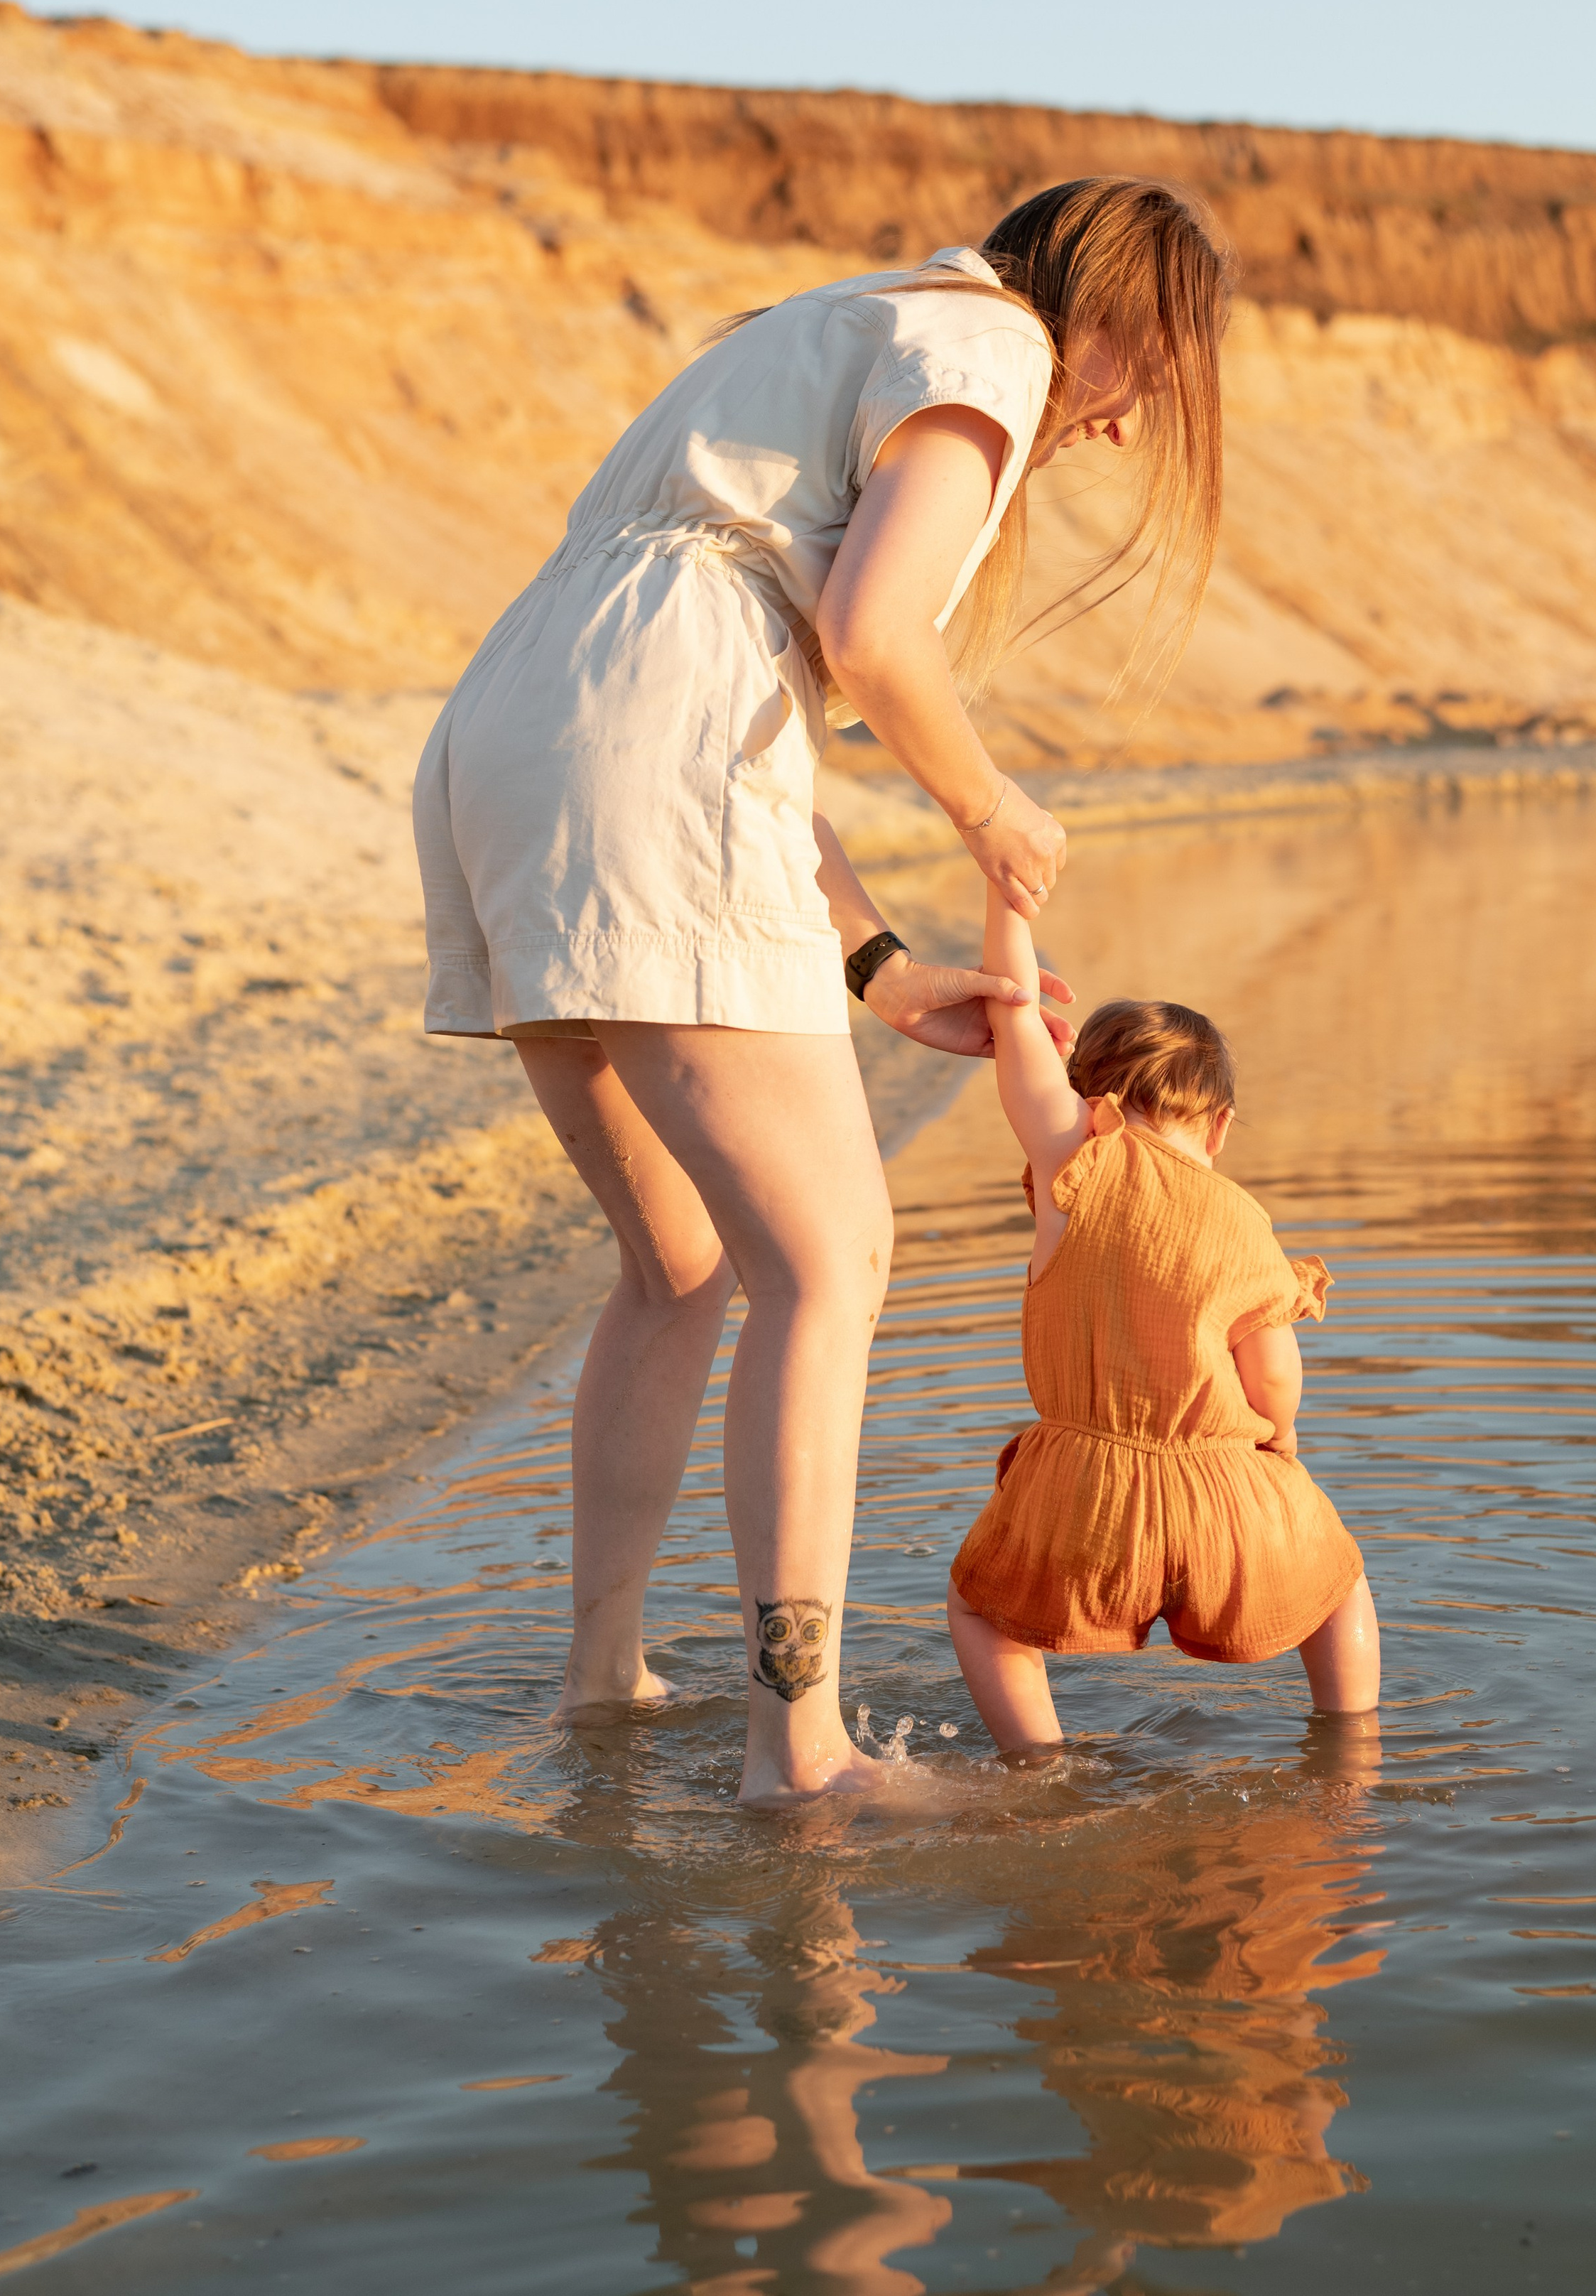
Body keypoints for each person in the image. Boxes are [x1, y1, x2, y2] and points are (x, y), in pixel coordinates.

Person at [413, 176, 1234, 1803]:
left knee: (681, 1258)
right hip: (645, 749)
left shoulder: (832, 323)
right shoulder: (990, 348)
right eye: (1148, 372)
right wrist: (991, 809)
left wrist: (867, 958)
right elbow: (860, 638)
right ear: (1114, 318)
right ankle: (796, 1748)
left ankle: (602, 1674)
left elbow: (715, 683)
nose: (1128, 426)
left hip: (510, 735)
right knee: (832, 1256)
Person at [948, 881, 1380, 1743]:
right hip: (1227, 1494)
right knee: (1338, 1586)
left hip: (1082, 1498)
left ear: (1087, 1101)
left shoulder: (1071, 1164)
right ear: (1218, 1128)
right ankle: (1352, 1749)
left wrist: (1010, 903)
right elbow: (1273, 1378)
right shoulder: (1244, 1224)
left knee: (980, 1611)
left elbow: (1019, 1017)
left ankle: (1040, 1768)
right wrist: (1279, 1443)